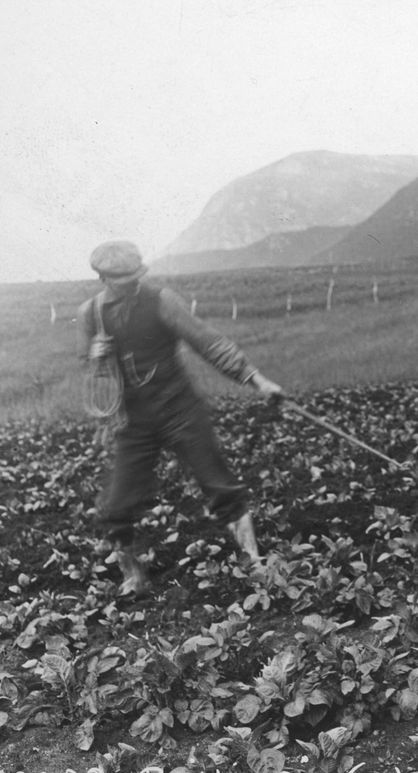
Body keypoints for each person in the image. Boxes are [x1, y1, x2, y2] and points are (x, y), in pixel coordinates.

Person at [78, 240, 283, 596]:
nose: (131, 284)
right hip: (134, 421)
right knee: (116, 505)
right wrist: (94, 356)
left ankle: (254, 561)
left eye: (135, 276)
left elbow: (209, 343)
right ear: (103, 278)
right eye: (121, 279)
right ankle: (133, 576)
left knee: (220, 486)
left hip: (179, 410)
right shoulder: (91, 314)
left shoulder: (162, 301)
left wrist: (257, 380)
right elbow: (98, 376)